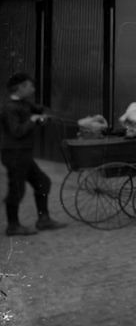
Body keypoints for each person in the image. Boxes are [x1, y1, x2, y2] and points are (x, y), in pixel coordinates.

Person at [0, 72, 67, 236]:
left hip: (23, 154)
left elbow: (42, 111)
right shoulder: (9, 108)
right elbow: (17, 131)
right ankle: (13, 225)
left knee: (42, 182)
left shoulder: (24, 104)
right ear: (21, 87)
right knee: (17, 190)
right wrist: (33, 120)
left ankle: (43, 220)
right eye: (30, 86)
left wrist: (43, 117)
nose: (33, 89)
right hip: (14, 154)